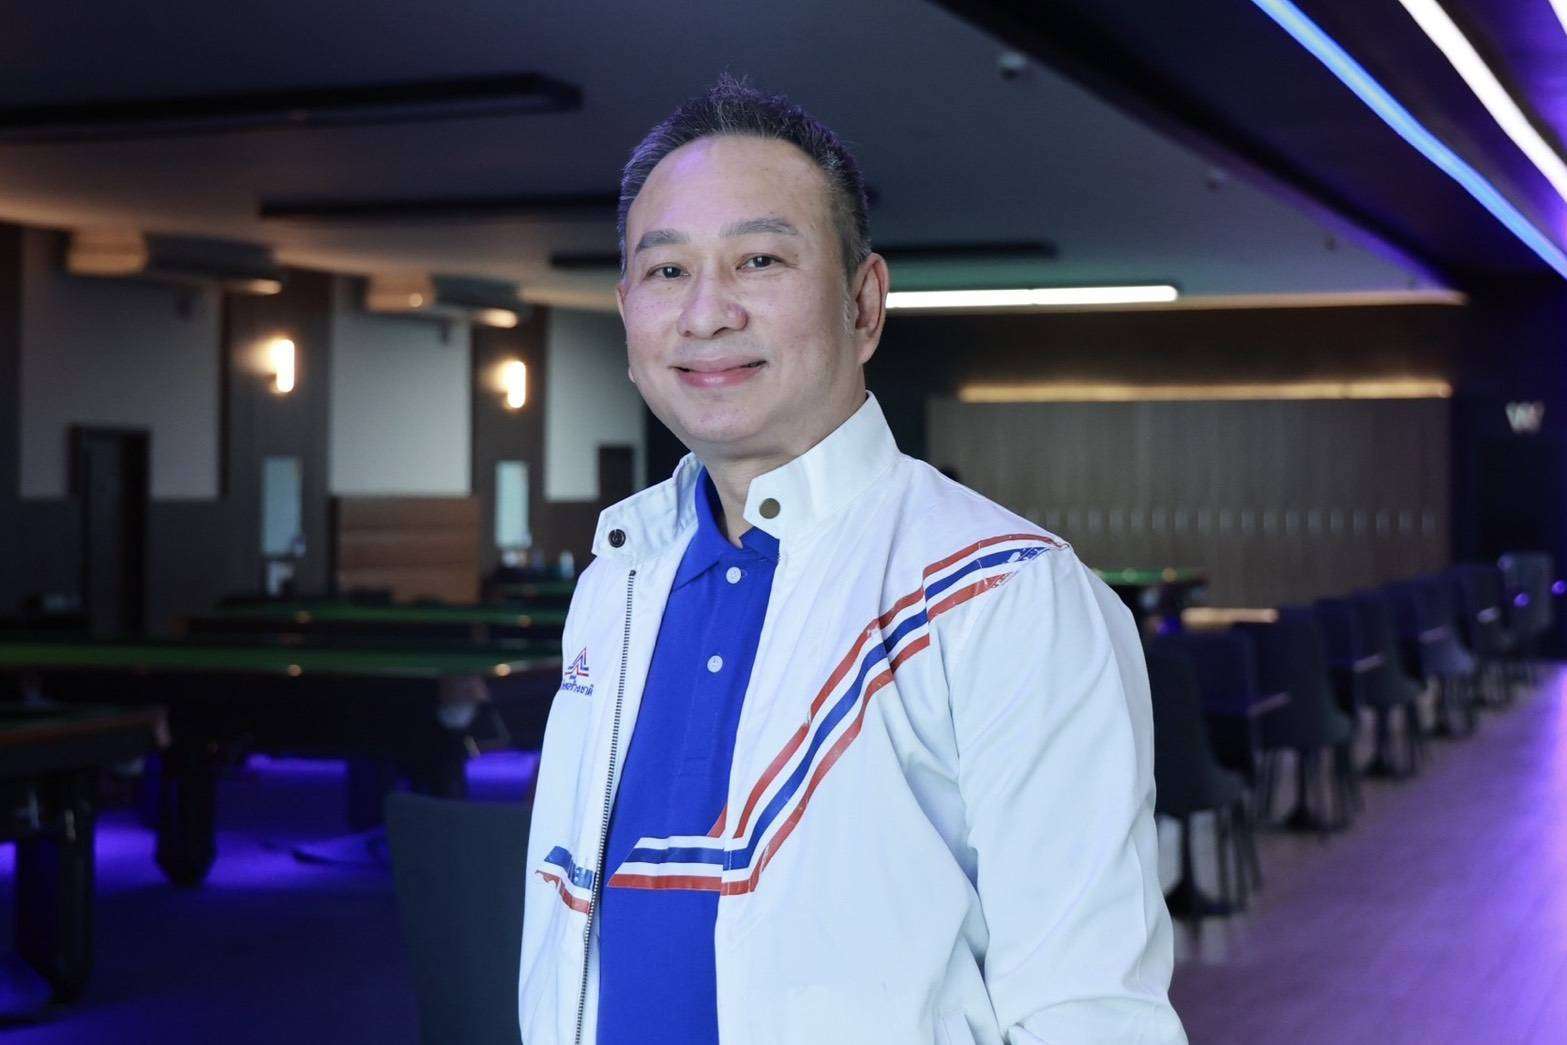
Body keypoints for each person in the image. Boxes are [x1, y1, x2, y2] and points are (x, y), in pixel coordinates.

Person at [520, 76, 1186, 1045]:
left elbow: (1090, 1012)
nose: (705, 313)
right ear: (626, 313)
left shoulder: (1005, 594)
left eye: (758, 259)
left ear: (863, 304)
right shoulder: (617, 579)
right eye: (666, 271)